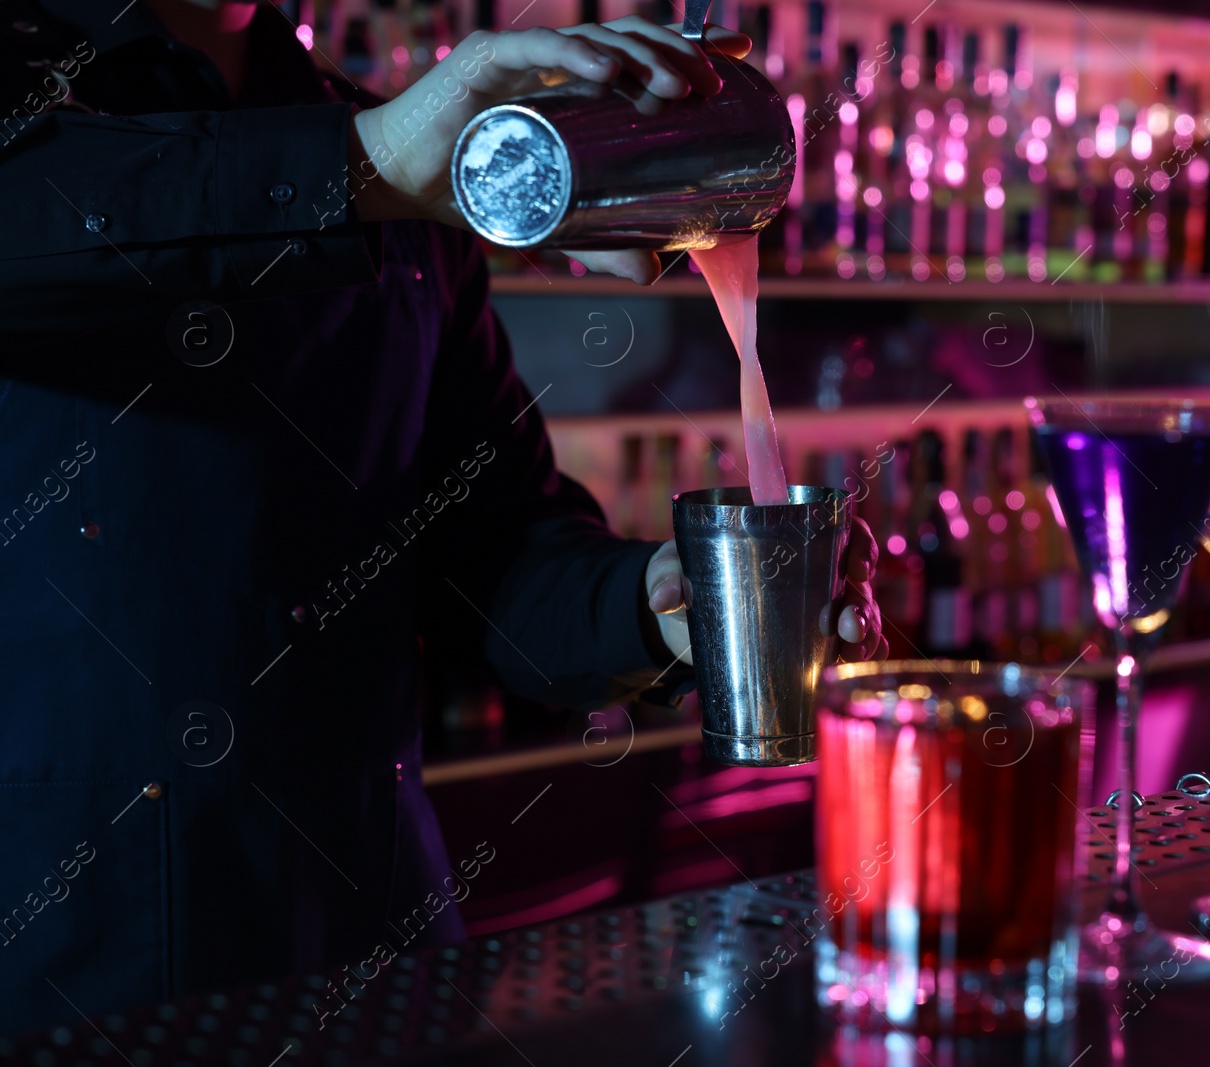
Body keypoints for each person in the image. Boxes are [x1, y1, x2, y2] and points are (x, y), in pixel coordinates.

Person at [0, 0, 883, 1036]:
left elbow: (488, 549)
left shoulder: (391, 153)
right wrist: (367, 166)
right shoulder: (61, 112)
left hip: (372, 943)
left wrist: (651, 606)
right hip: (63, 963)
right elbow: (62, 207)